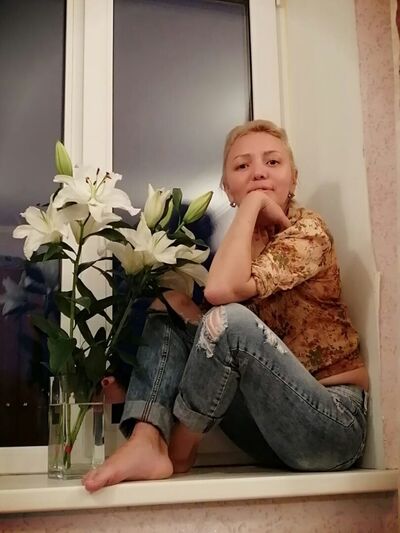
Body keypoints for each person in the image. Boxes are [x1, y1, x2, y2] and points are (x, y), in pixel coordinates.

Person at [83, 119, 369, 492]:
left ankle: (179, 452)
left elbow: (220, 295)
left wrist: (251, 205)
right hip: (268, 434)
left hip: (330, 427)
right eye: (242, 166)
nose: (259, 173)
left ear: (294, 179)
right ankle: (146, 439)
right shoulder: (240, 245)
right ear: (226, 188)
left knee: (227, 321)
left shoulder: (307, 231)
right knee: (171, 304)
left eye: (272, 162)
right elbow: (208, 336)